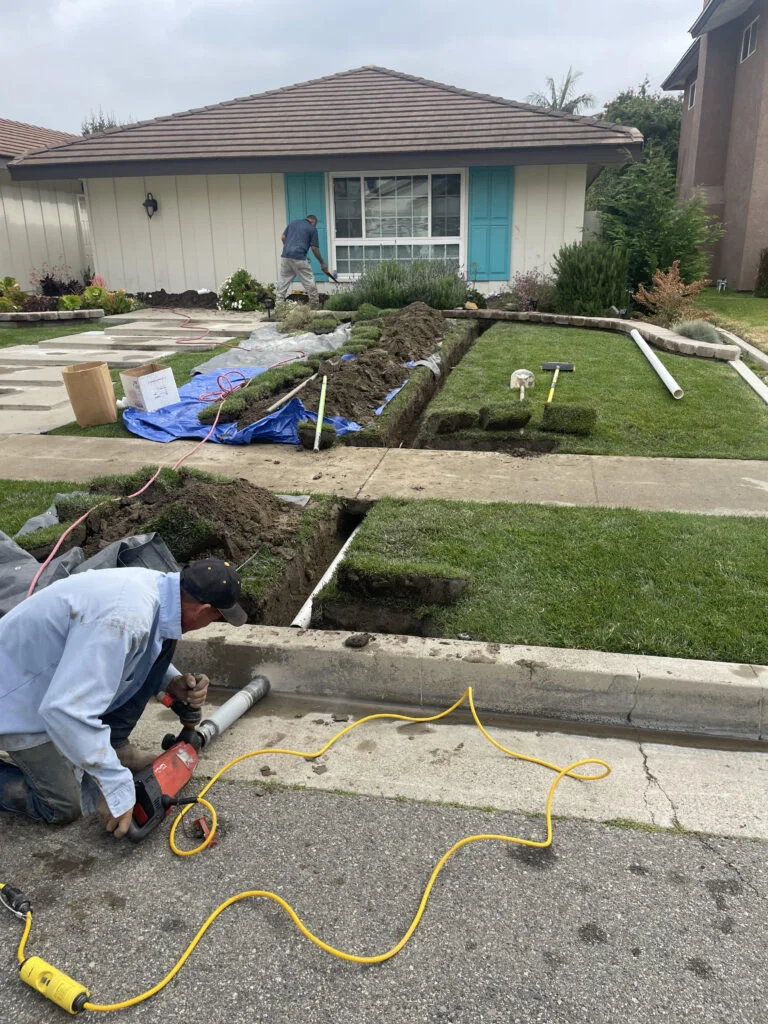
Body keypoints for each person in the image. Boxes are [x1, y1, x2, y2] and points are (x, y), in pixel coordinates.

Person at [0, 557, 248, 839]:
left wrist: (172, 683)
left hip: (48, 685)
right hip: (15, 701)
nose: (213, 622)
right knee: (64, 805)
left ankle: (116, 748)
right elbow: (64, 711)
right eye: (217, 616)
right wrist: (115, 787)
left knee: (167, 639)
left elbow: (142, 648)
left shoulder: (158, 593)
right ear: (204, 610)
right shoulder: (124, 617)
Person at [276, 214, 330, 306]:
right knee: (309, 281)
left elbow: (283, 238)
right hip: (299, 257)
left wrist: (289, 248)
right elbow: (314, 248)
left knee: (283, 281)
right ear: (313, 222)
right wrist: (322, 263)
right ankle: (314, 305)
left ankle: (278, 305)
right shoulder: (312, 228)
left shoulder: (292, 223)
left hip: (285, 257)